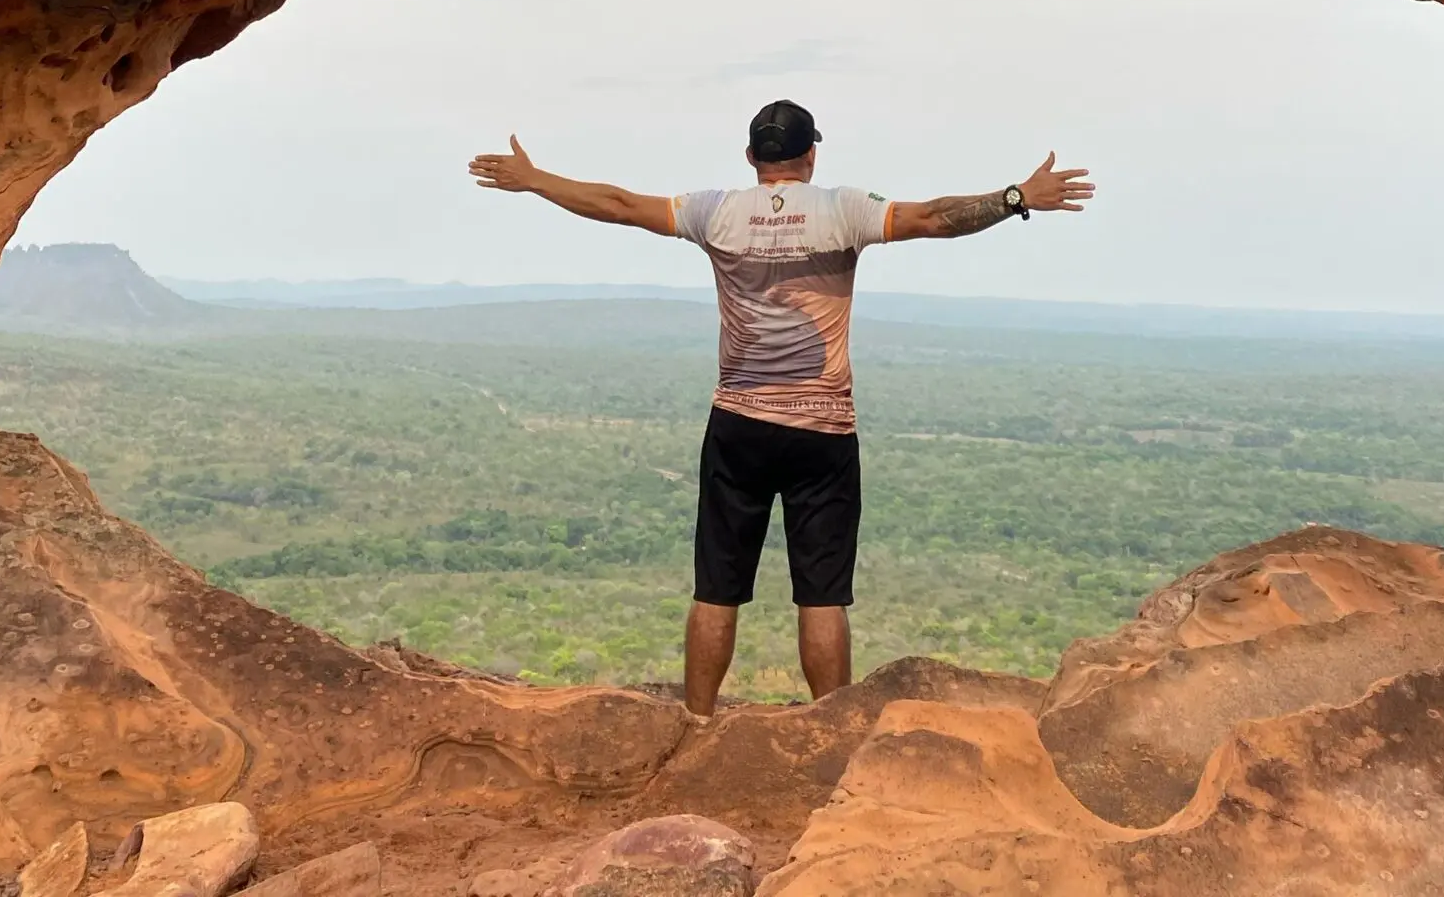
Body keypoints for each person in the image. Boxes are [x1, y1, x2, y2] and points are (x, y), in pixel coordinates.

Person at [469, 99, 1094, 715]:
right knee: (822, 595)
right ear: (811, 156)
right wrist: (1015, 198)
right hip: (822, 429)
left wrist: (535, 181)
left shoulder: (716, 211)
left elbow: (620, 205)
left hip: (738, 422)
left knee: (717, 586)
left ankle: (696, 724)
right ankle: (832, 729)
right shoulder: (843, 209)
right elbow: (935, 217)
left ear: (751, 158)